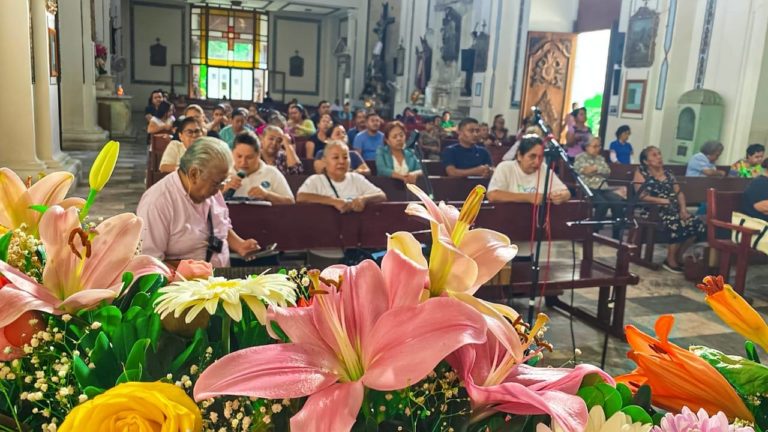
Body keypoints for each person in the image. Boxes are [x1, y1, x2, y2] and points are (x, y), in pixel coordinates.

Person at [137, 137, 261, 267]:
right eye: (216, 183)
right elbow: (150, 262)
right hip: (184, 284)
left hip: (220, 279)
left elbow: (221, 226)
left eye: (222, 183)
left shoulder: (211, 190)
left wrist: (240, 245)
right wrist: (190, 269)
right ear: (194, 174)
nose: (220, 189)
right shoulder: (157, 202)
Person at [634, 146, 705, 273]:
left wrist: (683, 209)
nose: (659, 157)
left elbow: (679, 193)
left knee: (696, 224)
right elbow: (641, 195)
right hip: (653, 210)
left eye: (659, 154)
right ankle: (670, 260)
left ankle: (678, 256)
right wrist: (663, 201)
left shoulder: (668, 174)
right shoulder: (641, 172)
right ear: (646, 161)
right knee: (677, 222)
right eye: (654, 155)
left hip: (673, 209)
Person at [297, 141, 386, 213]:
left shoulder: (356, 178)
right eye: (335, 157)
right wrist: (333, 201)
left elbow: (381, 196)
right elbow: (301, 197)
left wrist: (363, 199)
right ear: (324, 160)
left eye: (345, 157)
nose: (341, 161)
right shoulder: (316, 180)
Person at [487, 134, 571, 204]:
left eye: (540, 157)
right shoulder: (505, 167)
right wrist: (529, 197)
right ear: (519, 156)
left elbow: (566, 193)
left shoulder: (543, 168)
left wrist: (561, 196)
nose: (537, 162)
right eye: (532, 156)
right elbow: (492, 195)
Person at [222, 132, 294, 205]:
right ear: (232, 153)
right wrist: (223, 190)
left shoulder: (272, 172)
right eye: (239, 156)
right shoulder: (224, 172)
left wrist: (267, 195)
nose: (243, 162)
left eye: (249, 157)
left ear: (259, 155)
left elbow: (290, 202)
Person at [574, 137, 625, 238]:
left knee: (618, 202)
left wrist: (595, 169)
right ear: (587, 147)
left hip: (602, 188)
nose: (597, 149)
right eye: (595, 146)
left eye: (599, 146)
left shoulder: (600, 158)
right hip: (588, 188)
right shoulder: (580, 157)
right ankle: (594, 232)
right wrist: (598, 169)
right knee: (603, 204)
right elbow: (585, 171)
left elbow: (607, 172)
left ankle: (616, 235)